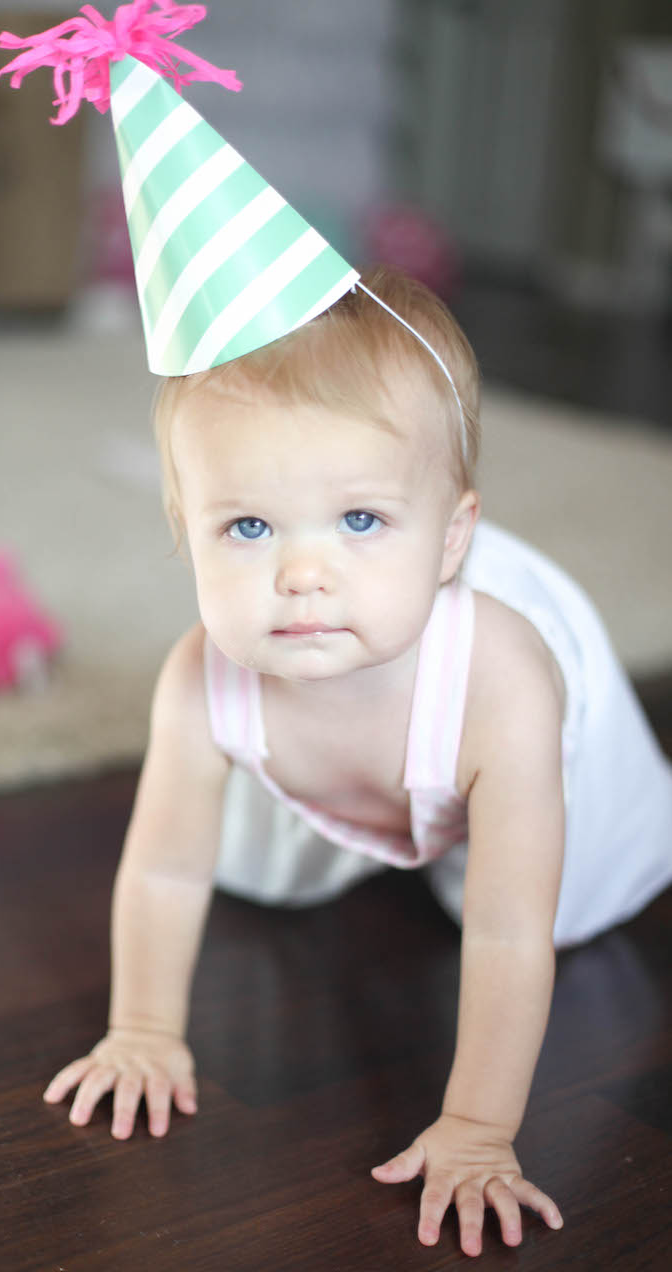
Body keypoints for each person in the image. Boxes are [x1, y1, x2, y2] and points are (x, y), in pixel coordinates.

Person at [43, 267, 672, 1257]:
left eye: (361, 520)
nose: (301, 573)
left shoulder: (504, 688)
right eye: (246, 526)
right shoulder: (203, 676)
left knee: (562, 900)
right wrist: (144, 1029)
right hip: (333, 730)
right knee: (258, 875)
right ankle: (358, 802)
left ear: (451, 538)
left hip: (498, 721)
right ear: (185, 536)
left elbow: (513, 938)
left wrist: (477, 1130)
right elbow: (165, 867)